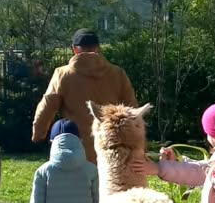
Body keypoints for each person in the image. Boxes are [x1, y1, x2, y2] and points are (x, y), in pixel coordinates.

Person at [30, 29, 137, 161]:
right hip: (112, 147)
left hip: (76, 148)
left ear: (75, 49)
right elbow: (132, 111)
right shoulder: (117, 74)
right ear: (98, 48)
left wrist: (38, 133)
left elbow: (47, 106)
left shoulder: (63, 74)